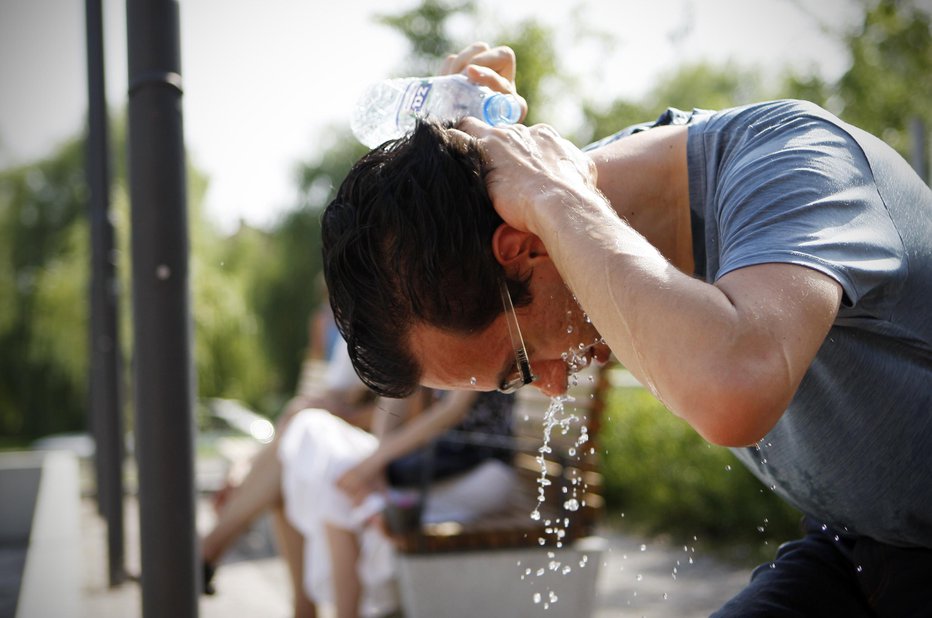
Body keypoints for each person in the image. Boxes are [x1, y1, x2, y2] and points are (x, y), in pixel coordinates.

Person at [320, 42, 932, 616]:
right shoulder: (583, 211)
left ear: (526, 247)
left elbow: (735, 387)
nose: (554, 385)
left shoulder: (794, 164)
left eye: (524, 363)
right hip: (857, 547)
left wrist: (556, 196)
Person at [201, 361, 517, 617]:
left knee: (335, 470)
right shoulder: (418, 313)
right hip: (422, 462)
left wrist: (373, 462)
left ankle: (211, 555)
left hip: (477, 469)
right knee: (317, 436)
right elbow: (393, 396)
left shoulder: (474, 301)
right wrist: (375, 461)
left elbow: (452, 412)